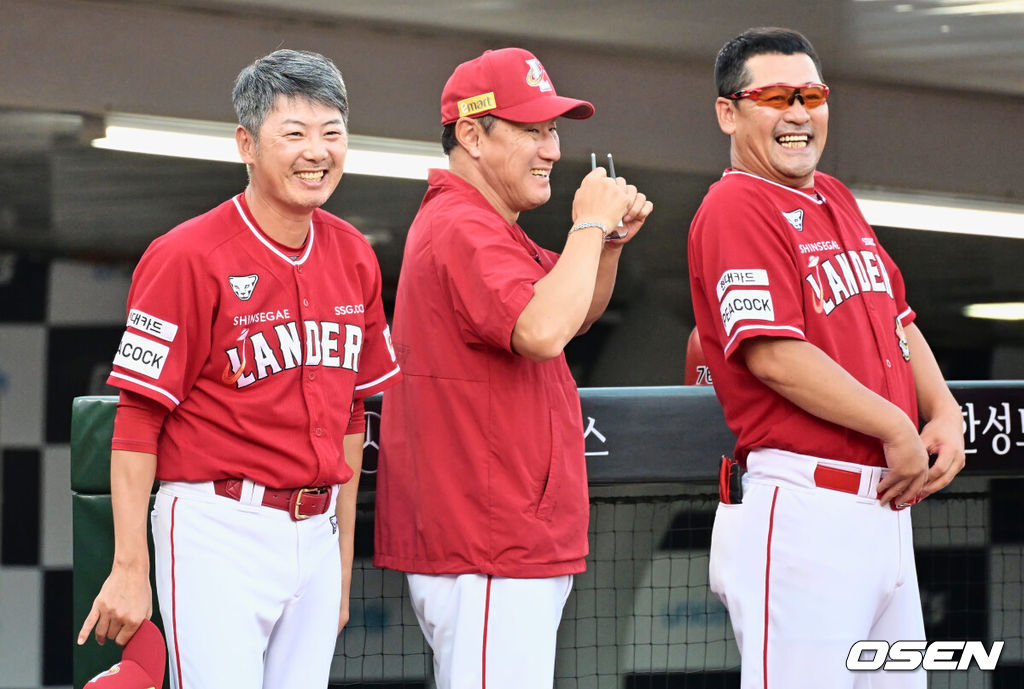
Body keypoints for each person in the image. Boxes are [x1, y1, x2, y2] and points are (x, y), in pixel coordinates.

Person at [76, 49, 401, 689]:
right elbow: (138, 420)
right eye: (295, 133)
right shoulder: (185, 256)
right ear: (246, 144)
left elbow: (353, 417)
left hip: (315, 531)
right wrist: (129, 565)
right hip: (216, 527)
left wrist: (339, 562)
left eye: (332, 133)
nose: (318, 151)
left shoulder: (355, 254)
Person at [687, 27, 965, 688]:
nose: (797, 113)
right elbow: (775, 357)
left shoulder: (833, 195)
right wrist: (897, 426)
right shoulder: (734, 204)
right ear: (729, 112)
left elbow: (900, 317)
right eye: (775, 96)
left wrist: (944, 409)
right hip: (805, 508)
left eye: (811, 95)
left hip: (885, 511)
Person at [375, 47, 653, 689]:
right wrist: (586, 223)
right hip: (485, 543)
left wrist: (604, 246)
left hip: (504, 541)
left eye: (552, 130)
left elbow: (570, 314)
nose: (552, 148)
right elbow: (541, 330)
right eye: (532, 129)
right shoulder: (460, 223)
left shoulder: (489, 225)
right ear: (472, 134)